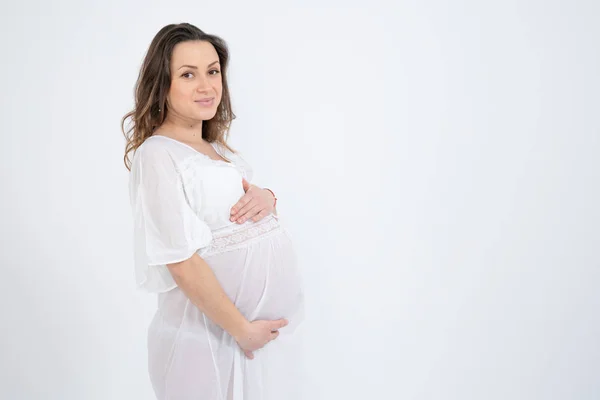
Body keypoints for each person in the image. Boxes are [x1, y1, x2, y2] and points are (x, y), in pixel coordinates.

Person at [122, 23, 305, 400]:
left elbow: (230, 214)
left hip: (245, 343)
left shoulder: (215, 149)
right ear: (162, 84)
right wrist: (240, 328)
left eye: (213, 71)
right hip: (203, 338)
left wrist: (268, 197)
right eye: (188, 74)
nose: (207, 86)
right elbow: (180, 259)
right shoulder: (157, 153)